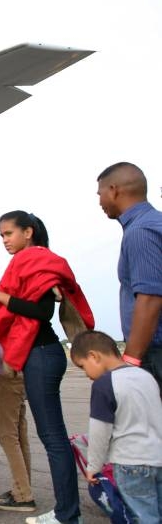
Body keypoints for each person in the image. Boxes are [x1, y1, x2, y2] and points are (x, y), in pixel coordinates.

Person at [0, 211, 94, 524]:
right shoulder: (35, 262)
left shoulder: (35, 261)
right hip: (43, 354)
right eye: (1, 235)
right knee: (52, 436)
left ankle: (67, 515)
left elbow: (41, 312)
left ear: (28, 232)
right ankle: (66, 512)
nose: (5, 240)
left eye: (8, 233)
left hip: (41, 354)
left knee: (53, 438)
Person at [72, 330, 162, 524]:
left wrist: (93, 467)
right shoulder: (146, 376)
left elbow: (100, 431)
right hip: (158, 458)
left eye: (83, 366)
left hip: (130, 463)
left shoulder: (104, 384)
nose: (87, 374)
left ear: (93, 356)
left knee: (142, 517)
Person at [96, 162, 162, 395]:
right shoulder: (154, 223)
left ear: (114, 190)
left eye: (100, 194)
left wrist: (130, 362)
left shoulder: (141, 232)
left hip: (155, 351)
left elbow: (151, 298)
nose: (100, 202)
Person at [0, 327, 36, 513]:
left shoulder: (1, 322)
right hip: (17, 377)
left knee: (8, 437)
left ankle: (23, 496)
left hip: (8, 378)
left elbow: (1, 353)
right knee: (20, 437)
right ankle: (22, 488)